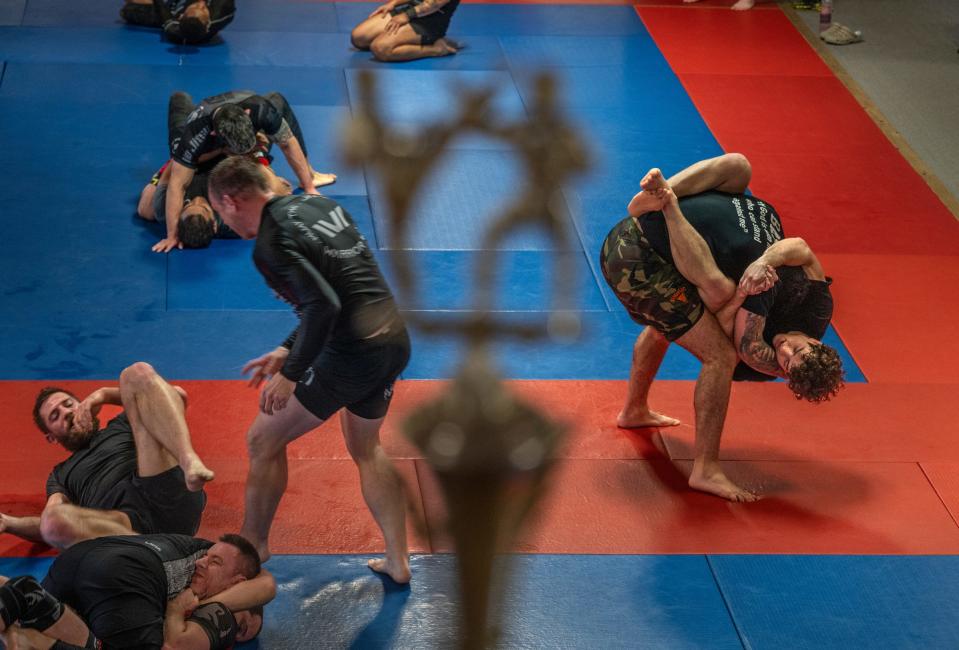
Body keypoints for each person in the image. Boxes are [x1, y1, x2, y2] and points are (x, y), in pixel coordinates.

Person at [207, 156, 413, 583]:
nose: (223, 222)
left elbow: (323, 306)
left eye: (218, 212)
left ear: (230, 200)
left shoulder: (270, 243)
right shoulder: (321, 205)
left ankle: (254, 543)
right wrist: (287, 349)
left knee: (262, 438)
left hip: (351, 354)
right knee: (367, 449)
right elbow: (339, 289)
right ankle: (398, 561)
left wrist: (292, 372)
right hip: (393, 340)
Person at [601, 153, 842, 502]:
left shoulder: (760, 353)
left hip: (637, 260)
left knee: (717, 344)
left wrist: (745, 289)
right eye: (799, 349)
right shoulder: (818, 310)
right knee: (740, 166)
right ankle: (634, 411)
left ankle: (705, 469)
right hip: (642, 240)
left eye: (787, 363)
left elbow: (726, 318)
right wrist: (764, 261)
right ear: (818, 343)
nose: (785, 350)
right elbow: (801, 248)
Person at [0, 363, 213, 549]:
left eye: (68, 404)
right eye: (55, 416)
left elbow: (176, 395)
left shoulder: (121, 424)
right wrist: (9, 523)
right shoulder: (60, 474)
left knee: (136, 373)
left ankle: (189, 460)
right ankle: (154, 553)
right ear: (52, 438)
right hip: (125, 527)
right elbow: (50, 524)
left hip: (163, 488)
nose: (67, 413)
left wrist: (102, 394)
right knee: (52, 521)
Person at [0, 533, 274, 649]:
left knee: (63, 632)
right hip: (123, 573)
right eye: (210, 558)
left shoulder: (195, 550)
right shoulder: (232, 609)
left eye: (213, 562)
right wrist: (177, 609)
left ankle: (24, 605)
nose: (200, 563)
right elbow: (175, 645)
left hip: (75, 561)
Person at [153, 90, 337, 253]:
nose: (196, 201)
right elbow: (177, 183)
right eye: (202, 206)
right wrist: (172, 234)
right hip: (206, 148)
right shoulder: (194, 136)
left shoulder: (259, 109)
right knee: (179, 148)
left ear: (248, 115)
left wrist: (309, 186)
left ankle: (308, 174)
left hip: (231, 146)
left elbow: (288, 142)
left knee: (276, 100)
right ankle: (181, 100)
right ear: (215, 136)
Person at [351, 0, 461, 62]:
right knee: (358, 37)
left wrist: (407, 15)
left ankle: (436, 49)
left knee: (380, 48)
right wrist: (392, 4)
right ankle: (398, 37)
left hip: (430, 23)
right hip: (411, 10)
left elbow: (433, 4)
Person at [120, 0, 236, 44]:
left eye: (197, 7)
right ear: (208, 25)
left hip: (173, 6)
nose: (201, 4)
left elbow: (162, 12)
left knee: (128, 10)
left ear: (180, 17)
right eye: (202, 8)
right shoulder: (223, 8)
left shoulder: (174, 30)